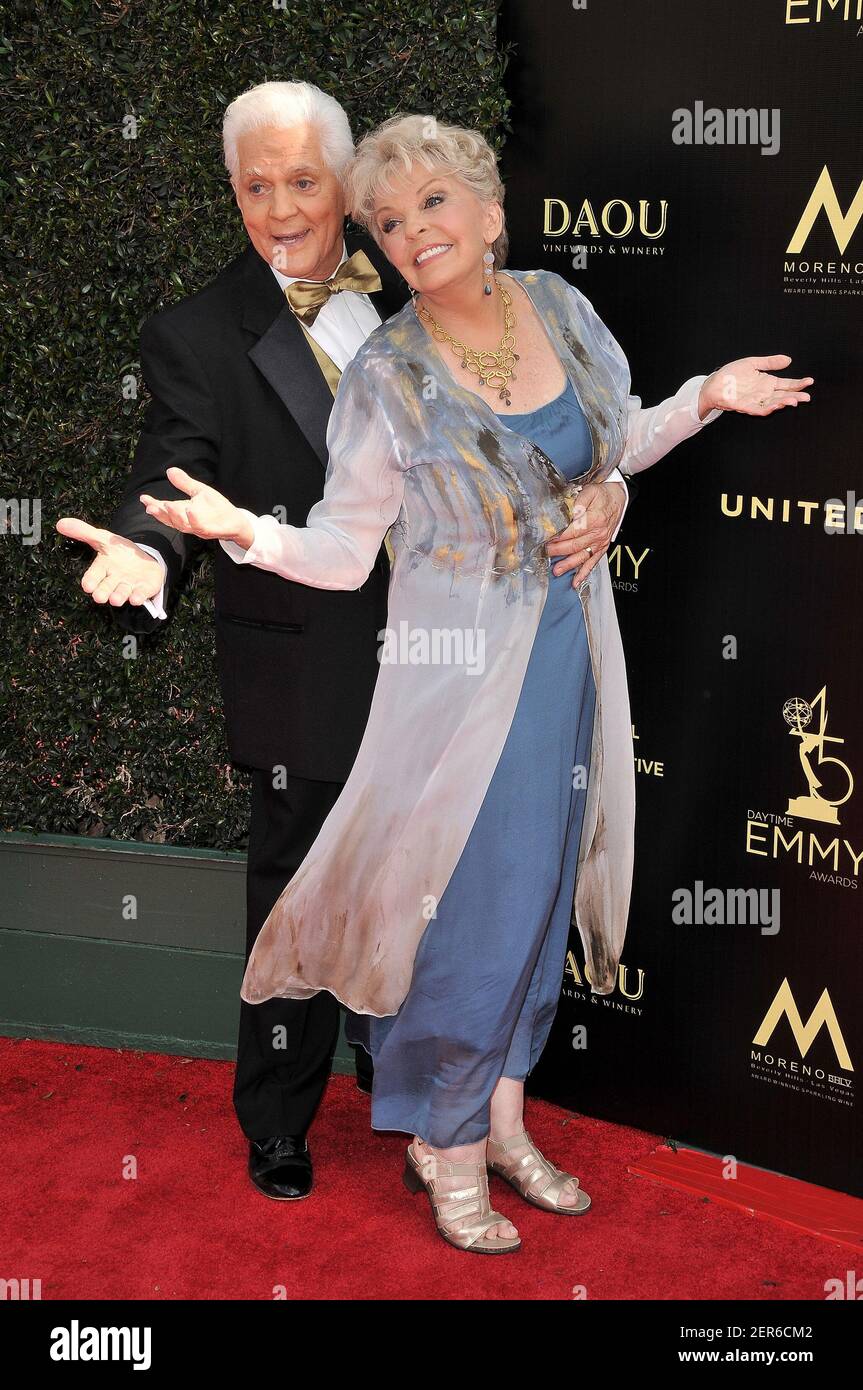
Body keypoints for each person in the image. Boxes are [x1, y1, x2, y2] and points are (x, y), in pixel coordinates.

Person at [135, 113, 814, 1253]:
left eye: (433, 205)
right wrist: (240, 527)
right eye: (391, 222)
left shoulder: (558, 307)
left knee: (539, 904)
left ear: (490, 212)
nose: (414, 233)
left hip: (568, 663)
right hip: (460, 697)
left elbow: (603, 451)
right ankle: (440, 1146)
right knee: (471, 921)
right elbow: (345, 552)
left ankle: (498, 1118)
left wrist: (700, 398)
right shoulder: (388, 375)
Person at [55, 85, 631, 1207]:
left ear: (347, 197)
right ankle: (278, 1122)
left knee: (459, 890)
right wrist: (148, 554)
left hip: (460, 664)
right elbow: (170, 479)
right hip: (310, 667)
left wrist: (604, 484)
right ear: (231, 194)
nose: (280, 209)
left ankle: (428, 1112)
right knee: (312, 886)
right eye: (254, 186)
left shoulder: (437, 300)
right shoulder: (192, 333)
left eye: (303, 182)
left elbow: (559, 443)